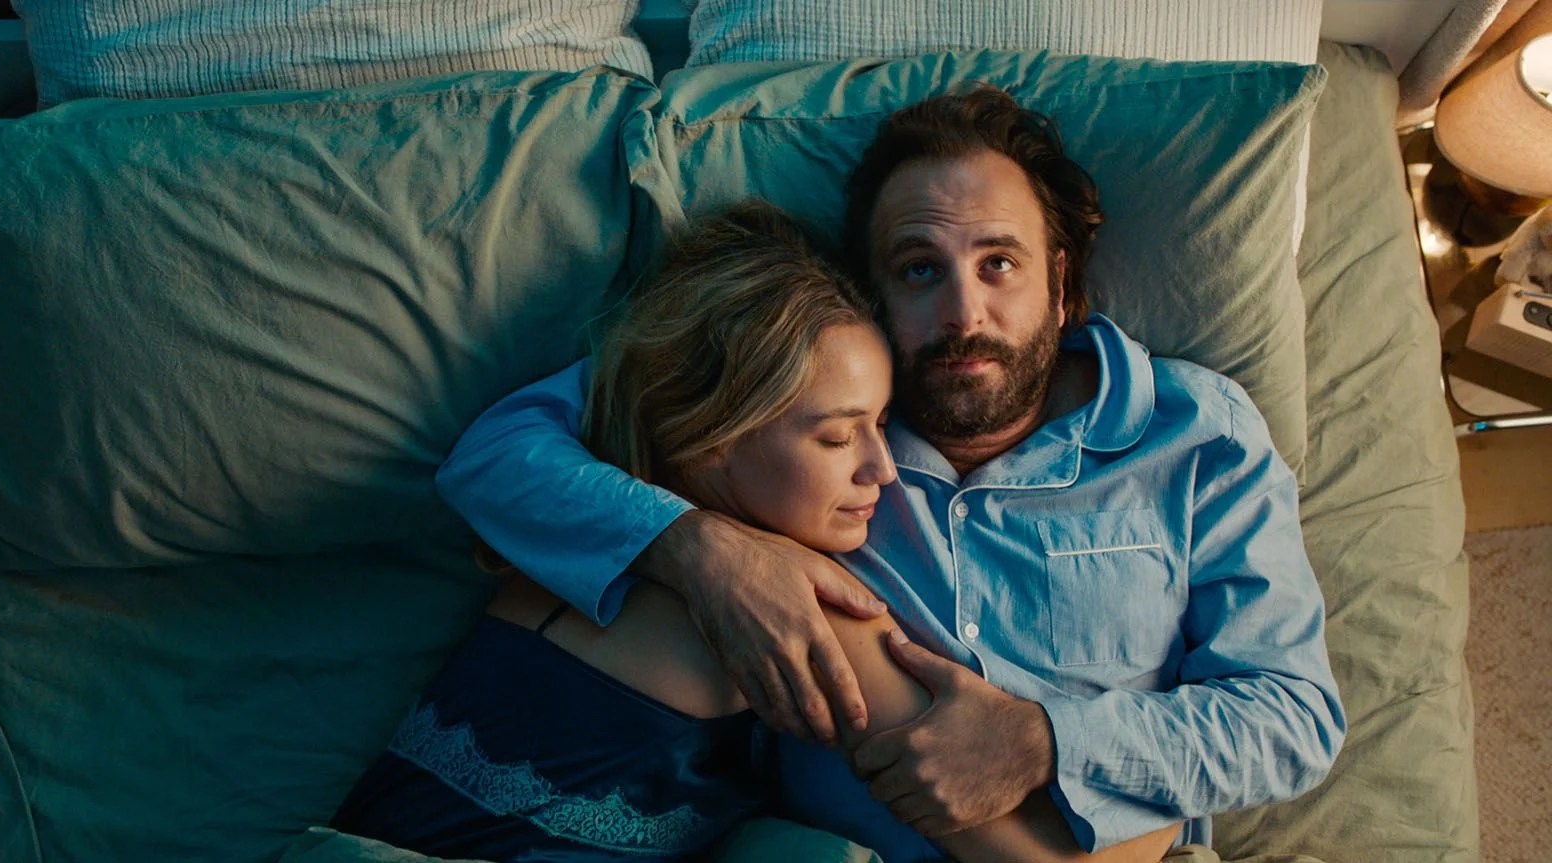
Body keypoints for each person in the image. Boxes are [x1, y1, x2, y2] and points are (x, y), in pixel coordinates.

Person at [436, 87, 1345, 860]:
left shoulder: (1196, 432)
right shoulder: (809, 398)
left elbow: (1293, 718)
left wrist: (1043, 740)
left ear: (1062, 284)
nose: (963, 313)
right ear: (873, 291)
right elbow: (499, 453)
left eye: (999, 264)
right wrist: (703, 553)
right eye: (919, 270)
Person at [332, 200, 1179, 862]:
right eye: (837, 436)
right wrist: (1174, 807)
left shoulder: (574, 545)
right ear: (714, 436)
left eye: (881, 424)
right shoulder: (796, 607)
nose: (883, 469)